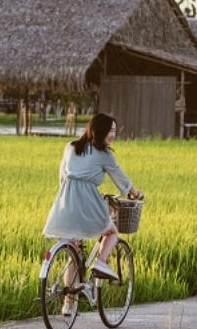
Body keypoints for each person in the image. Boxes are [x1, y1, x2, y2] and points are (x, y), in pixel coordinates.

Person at [42, 112, 143, 314]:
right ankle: (101, 263)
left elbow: (62, 175)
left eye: (115, 130)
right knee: (112, 231)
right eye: (111, 131)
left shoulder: (71, 147)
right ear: (100, 131)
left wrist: (68, 193)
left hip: (65, 200)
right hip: (87, 200)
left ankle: (68, 304)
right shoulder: (104, 154)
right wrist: (136, 193)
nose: (113, 135)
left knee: (74, 252)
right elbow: (121, 179)